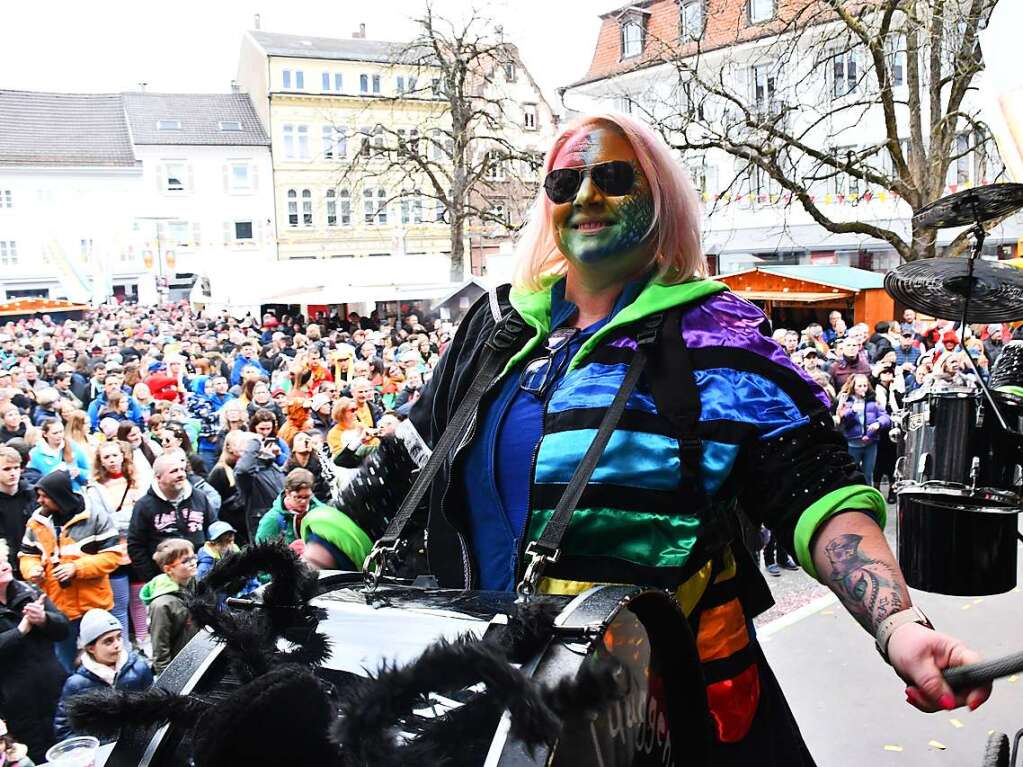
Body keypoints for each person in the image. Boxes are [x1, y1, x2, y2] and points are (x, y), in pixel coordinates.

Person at [326, 113, 989, 762]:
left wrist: (897, 623)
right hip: (494, 705)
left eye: (612, 177)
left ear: (661, 197)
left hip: (662, 715)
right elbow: (405, 458)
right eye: (564, 183)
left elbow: (816, 491)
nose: (585, 196)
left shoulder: (718, 338)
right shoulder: (495, 326)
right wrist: (309, 557)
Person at [18, 469, 120, 672]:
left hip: (94, 604)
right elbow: (27, 555)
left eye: (44, 497)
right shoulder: (36, 523)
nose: (39, 501)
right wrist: (32, 570)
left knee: (106, 662)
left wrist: (77, 568)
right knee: (65, 665)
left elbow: (113, 556)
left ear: (59, 496)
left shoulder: (95, 517)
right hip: (59, 607)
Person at [0, 539, 70, 764]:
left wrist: (44, 619)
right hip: (15, 702)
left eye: (4, 559)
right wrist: (19, 632)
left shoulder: (28, 591)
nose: (5, 565)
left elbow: (63, 628)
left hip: (53, 689)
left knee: (65, 747)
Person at [52, 608, 153, 741]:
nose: (117, 645)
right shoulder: (76, 685)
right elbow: (64, 729)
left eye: (119, 637)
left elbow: (154, 706)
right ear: (91, 648)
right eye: (108, 641)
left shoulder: (139, 668)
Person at [127, 453, 216, 588]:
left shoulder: (199, 497)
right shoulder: (144, 505)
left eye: (182, 469)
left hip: (202, 577)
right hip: (164, 581)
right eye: (174, 471)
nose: (181, 474)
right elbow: (136, 546)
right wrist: (154, 579)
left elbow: (214, 532)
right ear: (158, 477)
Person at [84, 441, 141, 644]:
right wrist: (129, 519)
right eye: (107, 457)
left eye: (115, 455)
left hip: (136, 548)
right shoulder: (95, 489)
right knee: (119, 603)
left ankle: (143, 640)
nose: (112, 460)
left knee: (139, 600)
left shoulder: (135, 481)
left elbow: (141, 515)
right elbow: (104, 522)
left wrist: (127, 520)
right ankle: (123, 644)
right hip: (113, 552)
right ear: (100, 462)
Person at [139, 538, 199, 675]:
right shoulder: (162, 604)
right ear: (168, 569)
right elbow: (160, 649)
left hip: (198, 658)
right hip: (179, 669)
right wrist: (166, 682)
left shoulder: (195, 584)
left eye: (193, 557)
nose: (193, 563)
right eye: (185, 561)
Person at [254, 467, 338, 547]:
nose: (303, 501)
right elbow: (262, 552)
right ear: (287, 493)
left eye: (307, 496)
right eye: (298, 497)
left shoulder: (322, 513)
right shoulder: (272, 519)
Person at [836, 374, 890, 489]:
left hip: (870, 442)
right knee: (852, 472)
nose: (862, 388)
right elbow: (842, 419)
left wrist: (878, 423)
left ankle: (867, 495)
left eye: (865, 385)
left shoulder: (873, 401)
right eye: (859, 385)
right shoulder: (847, 401)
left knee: (868, 472)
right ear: (853, 387)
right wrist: (852, 411)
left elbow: (885, 417)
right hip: (853, 442)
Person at [234, 434, 285, 542]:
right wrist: (254, 442)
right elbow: (244, 470)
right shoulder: (249, 475)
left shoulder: (273, 467)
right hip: (263, 529)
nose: (262, 446)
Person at [27, 419, 90, 491]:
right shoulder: (35, 453)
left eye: (61, 432)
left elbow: (88, 472)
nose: (59, 435)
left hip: (74, 492)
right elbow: (31, 479)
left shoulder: (73, 446)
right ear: (45, 434)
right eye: (55, 433)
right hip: (50, 494)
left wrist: (78, 472)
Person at [0, 446, 34, 576]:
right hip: (6, 569)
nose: (13, 473)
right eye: (7, 469)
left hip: (34, 563)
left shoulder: (32, 494)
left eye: (16, 468)